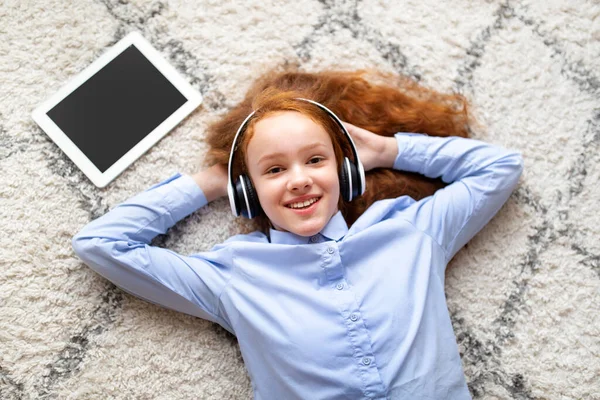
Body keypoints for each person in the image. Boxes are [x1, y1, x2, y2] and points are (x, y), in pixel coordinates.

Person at [72, 68, 523, 399]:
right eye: (273, 169)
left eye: (315, 160)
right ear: (248, 189)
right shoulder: (234, 275)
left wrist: (388, 149)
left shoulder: (410, 231)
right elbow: (100, 243)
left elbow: (500, 167)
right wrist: (211, 183)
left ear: (344, 169)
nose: (299, 180)